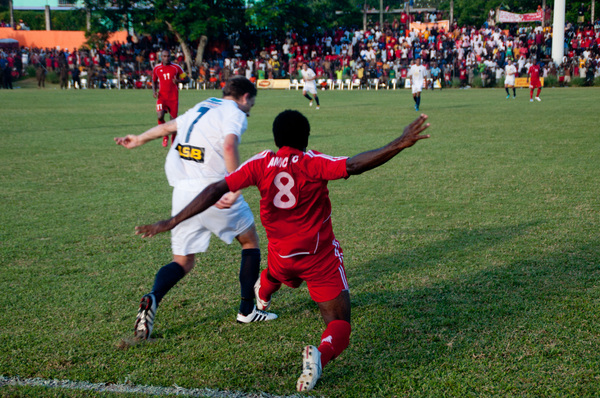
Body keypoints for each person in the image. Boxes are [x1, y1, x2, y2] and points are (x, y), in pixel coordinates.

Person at [135, 110, 431, 391]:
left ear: (277, 140)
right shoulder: (312, 162)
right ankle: (320, 353)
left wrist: (171, 221)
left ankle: (262, 295)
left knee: (273, 275)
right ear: (306, 139)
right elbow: (353, 164)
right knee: (339, 325)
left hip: (280, 257)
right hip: (319, 261)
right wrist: (400, 142)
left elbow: (216, 189)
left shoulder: (261, 162)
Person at [114, 76, 277, 341]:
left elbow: (169, 126)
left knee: (183, 261)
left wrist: (140, 139)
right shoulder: (234, 112)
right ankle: (247, 311)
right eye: (252, 103)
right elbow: (228, 144)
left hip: (183, 192)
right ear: (245, 97)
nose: (250, 108)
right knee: (249, 242)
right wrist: (234, 186)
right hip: (214, 190)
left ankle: (152, 298)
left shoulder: (205, 105)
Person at [152, 50, 186, 147]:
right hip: (162, 97)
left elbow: (186, 79)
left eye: (168, 56)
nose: (166, 58)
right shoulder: (157, 68)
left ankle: (173, 141)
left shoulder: (176, 67)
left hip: (173, 98)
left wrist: (179, 81)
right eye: (164, 56)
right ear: (161, 57)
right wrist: (154, 91)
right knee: (160, 116)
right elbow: (153, 80)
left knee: (173, 121)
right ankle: (165, 136)